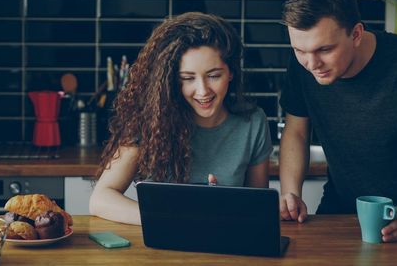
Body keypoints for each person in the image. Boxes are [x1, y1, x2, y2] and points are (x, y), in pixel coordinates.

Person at [278, 0, 397, 242]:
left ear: (357, 34)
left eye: (324, 49)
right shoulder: (303, 67)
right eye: (299, 50)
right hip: (342, 211)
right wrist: (291, 194)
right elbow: (296, 133)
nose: (312, 63)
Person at [89, 12, 273, 225]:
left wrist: (221, 206)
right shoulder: (151, 120)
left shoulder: (253, 123)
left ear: (231, 72)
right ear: (170, 82)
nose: (203, 91)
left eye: (214, 75)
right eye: (187, 79)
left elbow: (258, 208)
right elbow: (100, 199)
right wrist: (175, 218)